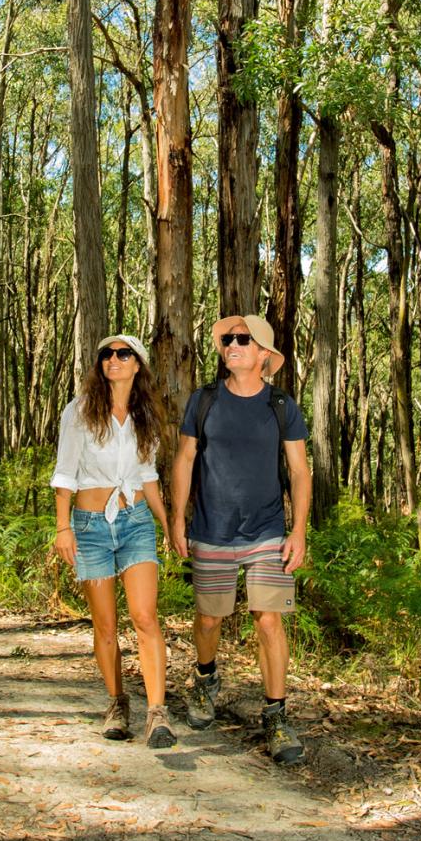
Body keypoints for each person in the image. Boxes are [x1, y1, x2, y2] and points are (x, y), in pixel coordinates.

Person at [169, 312, 312, 764]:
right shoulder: (204, 400)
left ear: (263, 355)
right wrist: (177, 519)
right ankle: (206, 678)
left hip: (267, 530)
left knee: (268, 620)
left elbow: (299, 471)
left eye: (243, 340)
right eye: (228, 339)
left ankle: (276, 715)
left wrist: (299, 531)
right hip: (211, 529)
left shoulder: (282, 406)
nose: (232, 344)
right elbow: (184, 460)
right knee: (209, 621)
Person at [51, 333, 177, 748]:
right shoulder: (81, 412)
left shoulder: (145, 417)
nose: (113, 360)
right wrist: (63, 527)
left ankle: (157, 714)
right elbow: (65, 475)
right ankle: (117, 702)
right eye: (106, 354)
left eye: (123, 354)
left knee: (144, 616)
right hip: (89, 527)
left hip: (136, 521)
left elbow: (149, 478)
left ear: (137, 365)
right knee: (105, 625)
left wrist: (170, 524)